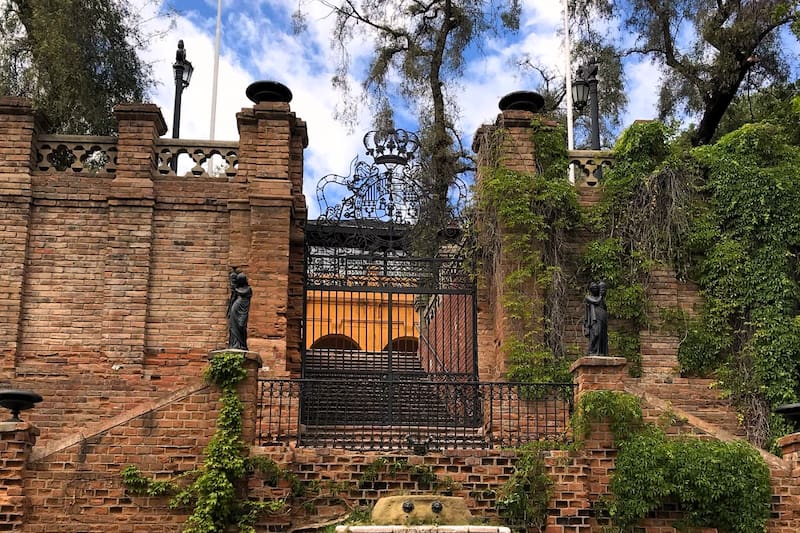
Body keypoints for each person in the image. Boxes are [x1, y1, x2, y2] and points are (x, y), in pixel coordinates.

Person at [227, 269, 252, 350]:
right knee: (234, 325)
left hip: (243, 308)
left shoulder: (248, 289)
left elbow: (240, 292)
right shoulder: (237, 289)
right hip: (236, 306)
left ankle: (242, 344)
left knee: (241, 325)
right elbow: (234, 294)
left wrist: (233, 286)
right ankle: (235, 344)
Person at [583, 281, 608, 355]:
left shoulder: (601, 299)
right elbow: (596, 302)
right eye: (593, 288)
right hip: (594, 319)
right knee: (595, 334)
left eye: (596, 288)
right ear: (590, 289)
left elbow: (604, 307)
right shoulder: (588, 297)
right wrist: (601, 295)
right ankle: (591, 351)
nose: (595, 289)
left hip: (602, 317)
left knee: (601, 335)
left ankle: (600, 352)